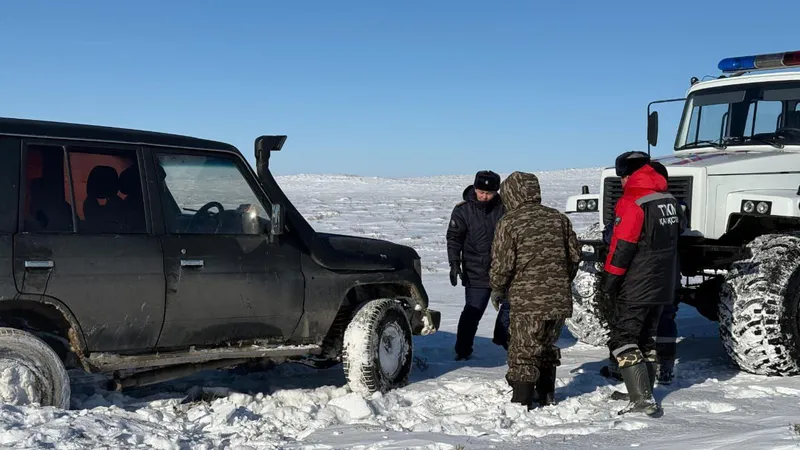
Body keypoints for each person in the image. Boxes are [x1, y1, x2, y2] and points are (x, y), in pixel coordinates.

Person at [489, 171, 581, 409]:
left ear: (510, 194)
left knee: (524, 350)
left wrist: (497, 289)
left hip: (527, 301)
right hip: (559, 300)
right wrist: (560, 282)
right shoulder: (559, 219)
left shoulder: (509, 222)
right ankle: (547, 395)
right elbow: (575, 257)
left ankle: (522, 402)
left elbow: (502, 263)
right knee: (547, 347)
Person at [602, 151, 684, 417]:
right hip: (665, 279)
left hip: (638, 280)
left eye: (622, 177)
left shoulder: (633, 200)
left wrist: (611, 278)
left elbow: (622, 245)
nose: (622, 183)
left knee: (622, 338)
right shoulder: (668, 199)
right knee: (645, 337)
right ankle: (641, 389)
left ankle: (642, 400)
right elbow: (677, 231)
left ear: (628, 175)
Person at [447, 170, 507, 360]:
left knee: (510, 309)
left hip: (504, 269)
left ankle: (508, 344)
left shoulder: (505, 208)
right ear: (475, 188)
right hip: (475, 269)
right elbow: (454, 237)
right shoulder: (463, 210)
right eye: (481, 192)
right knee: (473, 311)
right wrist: (454, 262)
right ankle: (463, 351)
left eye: (489, 193)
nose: (484, 196)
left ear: (497, 192)